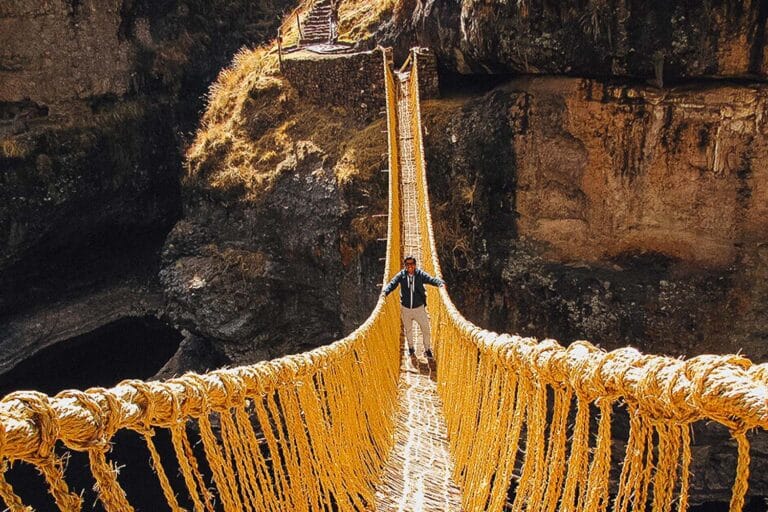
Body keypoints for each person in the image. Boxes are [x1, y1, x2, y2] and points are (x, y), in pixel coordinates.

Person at [382, 255, 445, 359]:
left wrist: (440, 283)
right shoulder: (401, 275)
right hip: (406, 309)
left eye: (412, 264)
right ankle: (411, 348)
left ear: (415, 265)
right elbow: (392, 284)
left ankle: (427, 350)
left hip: (419, 308)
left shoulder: (420, 275)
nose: (410, 266)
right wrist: (385, 292)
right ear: (405, 266)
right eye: (407, 264)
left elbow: (431, 279)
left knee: (426, 329)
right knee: (408, 330)